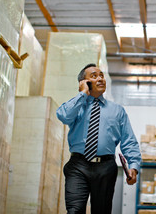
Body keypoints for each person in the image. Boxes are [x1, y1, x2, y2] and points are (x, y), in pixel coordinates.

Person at [56, 63, 141, 214]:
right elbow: (63, 115)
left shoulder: (117, 111)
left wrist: (133, 165)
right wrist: (82, 94)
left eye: (101, 75)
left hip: (105, 167)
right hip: (78, 166)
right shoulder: (77, 107)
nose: (100, 79)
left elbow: (128, 140)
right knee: (74, 210)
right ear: (84, 82)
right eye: (94, 76)